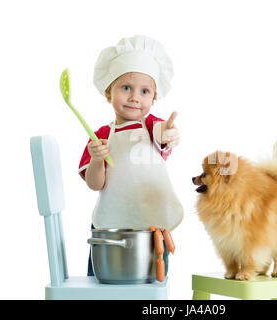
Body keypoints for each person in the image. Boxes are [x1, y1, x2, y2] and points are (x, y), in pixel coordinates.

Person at [79, 35, 184, 276]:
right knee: (103, 285)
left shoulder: (152, 126)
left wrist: (169, 134)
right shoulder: (101, 135)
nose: (135, 97)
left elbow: (162, 134)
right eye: (126, 87)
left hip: (150, 225)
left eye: (145, 91)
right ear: (109, 92)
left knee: (149, 282)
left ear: (153, 98)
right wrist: (97, 158)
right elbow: (95, 184)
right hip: (111, 225)